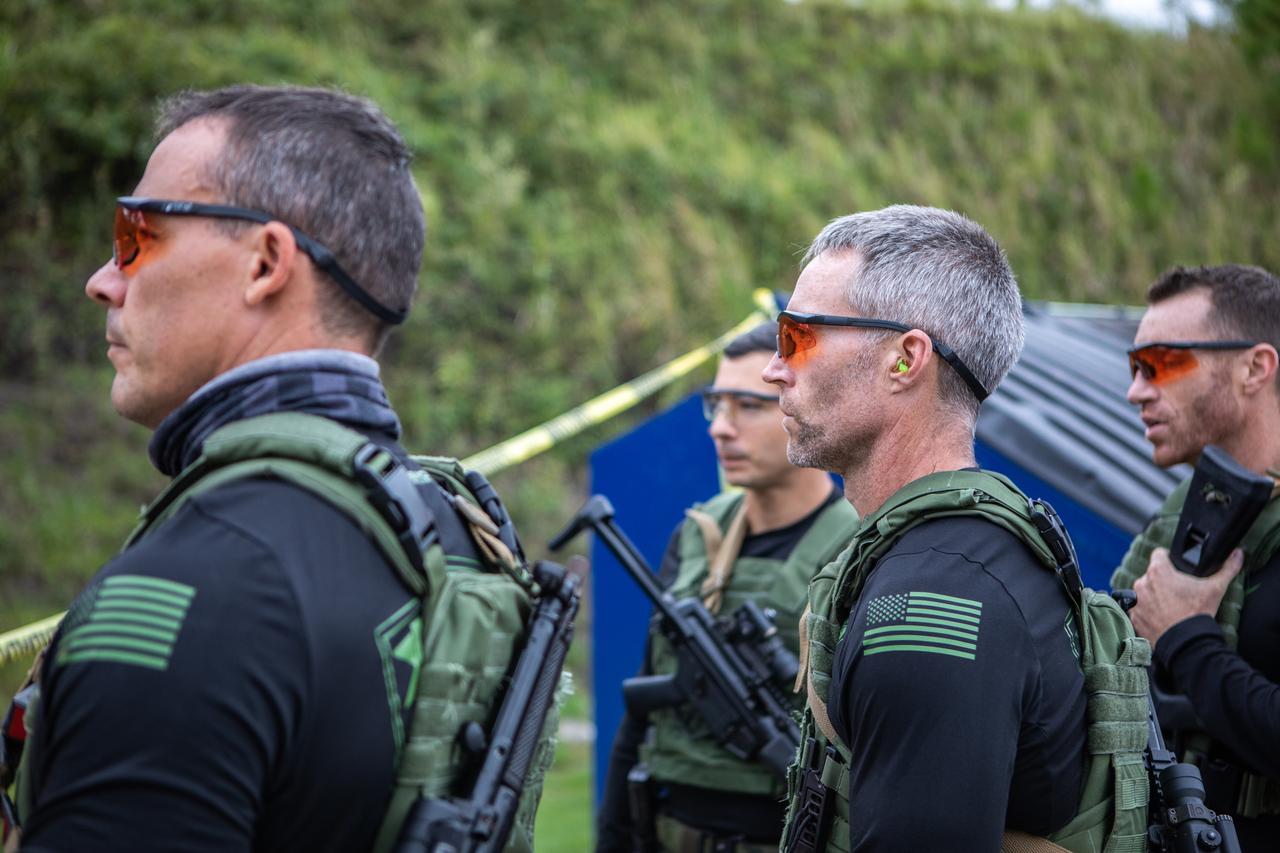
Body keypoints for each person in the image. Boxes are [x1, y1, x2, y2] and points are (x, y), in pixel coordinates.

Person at [14, 85, 539, 852]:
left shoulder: (189, 587)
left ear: (265, 263)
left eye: (136, 233)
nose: (103, 278)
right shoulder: (452, 529)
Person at [765, 205, 1144, 853]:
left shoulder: (935, 595)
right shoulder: (946, 555)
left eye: (797, 336)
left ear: (905, 359)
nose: (775, 367)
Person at [596, 323, 860, 853]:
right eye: (716, 404)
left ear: (804, 406)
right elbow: (642, 710)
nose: (720, 427)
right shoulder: (698, 534)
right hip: (666, 828)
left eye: (748, 406)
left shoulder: (859, 546)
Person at [1111, 264, 1280, 848]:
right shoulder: (1181, 515)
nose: (1136, 390)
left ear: (1255, 368)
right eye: (1135, 367)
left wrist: (1185, 637)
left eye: (1162, 363)